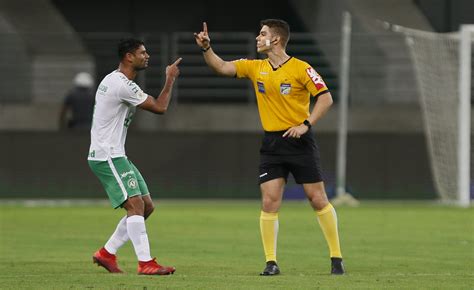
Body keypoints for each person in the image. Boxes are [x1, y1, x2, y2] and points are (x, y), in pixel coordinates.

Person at [194, 20, 345, 276]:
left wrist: (306, 124)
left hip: (300, 142)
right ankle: (271, 262)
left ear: (275, 40)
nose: (257, 38)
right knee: (269, 202)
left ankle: (336, 257)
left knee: (317, 199)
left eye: (262, 34)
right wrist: (207, 49)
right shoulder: (255, 67)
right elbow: (221, 67)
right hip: (272, 144)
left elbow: (326, 97)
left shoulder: (301, 68)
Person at [88, 38, 182, 275]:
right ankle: (146, 263)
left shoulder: (113, 79)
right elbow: (160, 107)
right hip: (107, 154)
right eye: (142, 52)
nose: (147, 55)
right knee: (136, 204)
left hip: (116, 153)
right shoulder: (121, 84)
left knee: (146, 206)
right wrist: (170, 78)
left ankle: (106, 253)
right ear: (129, 57)